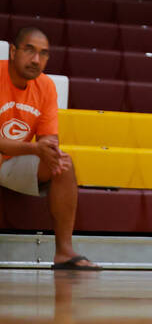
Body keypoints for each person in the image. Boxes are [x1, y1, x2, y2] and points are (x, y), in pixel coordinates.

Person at [0, 27, 100, 270]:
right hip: (12, 155)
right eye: (29, 50)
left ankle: (64, 252)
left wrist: (51, 155)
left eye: (43, 54)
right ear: (13, 51)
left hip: (11, 162)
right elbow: (37, 147)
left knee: (63, 164)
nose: (36, 60)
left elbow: (48, 143)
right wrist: (35, 149)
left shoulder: (45, 86)